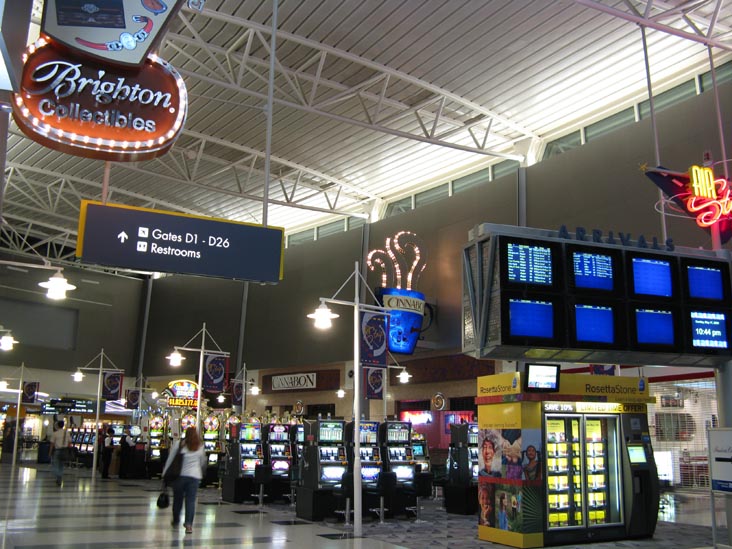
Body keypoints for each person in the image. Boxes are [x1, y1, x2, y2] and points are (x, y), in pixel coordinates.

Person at [163, 426, 206, 535]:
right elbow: (202, 461)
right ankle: (189, 525)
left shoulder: (179, 444)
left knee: (178, 499)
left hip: (181, 476)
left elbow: (171, 458)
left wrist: (164, 473)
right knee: (190, 501)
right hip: (195, 477)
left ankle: (176, 520)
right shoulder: (200, 445)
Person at [49, 420, 68, 486]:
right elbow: (70, 443)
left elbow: (52, 444)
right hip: (64, 451)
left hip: (57, 451)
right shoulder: (67, 433)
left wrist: (50, 452)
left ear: (57, 426)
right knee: (61, 465)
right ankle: (59, 477)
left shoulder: (55, 433)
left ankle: (58, 476)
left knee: (55, 465)